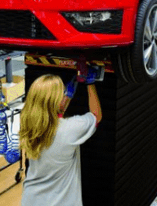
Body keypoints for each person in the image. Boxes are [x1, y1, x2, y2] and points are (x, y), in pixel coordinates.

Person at [20, 73, 102, 206]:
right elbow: (96, 116)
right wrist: (90, 83)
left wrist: (67, 97)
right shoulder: (70, 129)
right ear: (55, 101)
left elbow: (52, 115)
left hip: (31, 200)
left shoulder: (29, 124)